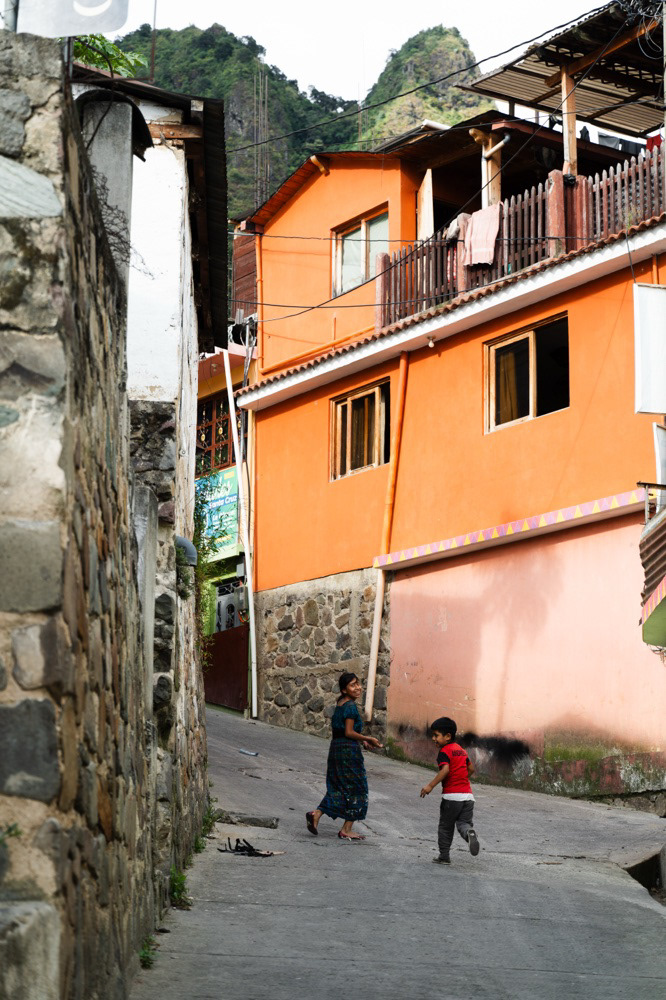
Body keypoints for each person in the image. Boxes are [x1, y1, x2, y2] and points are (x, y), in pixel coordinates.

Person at [306, 672, 383, 840]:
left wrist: (361, 741)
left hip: (337, 749)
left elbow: (342, 731)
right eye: (352, 685)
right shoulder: (350, 706)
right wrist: (367, 738)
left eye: (358, 684)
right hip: (348, 753)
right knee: (358, 789)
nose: (358, 688)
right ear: (344, 690)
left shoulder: (341, 703)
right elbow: (349, 732)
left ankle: (316, 814)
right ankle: (346, 829)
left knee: (339, 787)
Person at [419, 716, 480, 865]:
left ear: (447, 736)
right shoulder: (461, 751)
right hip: (468, 797)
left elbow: (445, 770)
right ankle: (469, 833)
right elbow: (471, 769)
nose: (433, 738)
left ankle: (444, 857)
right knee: (464, 823)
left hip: (452, 798)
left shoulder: (444, 751)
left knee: (445, 827)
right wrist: (461, 779)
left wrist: (430, 786)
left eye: (436, 735)